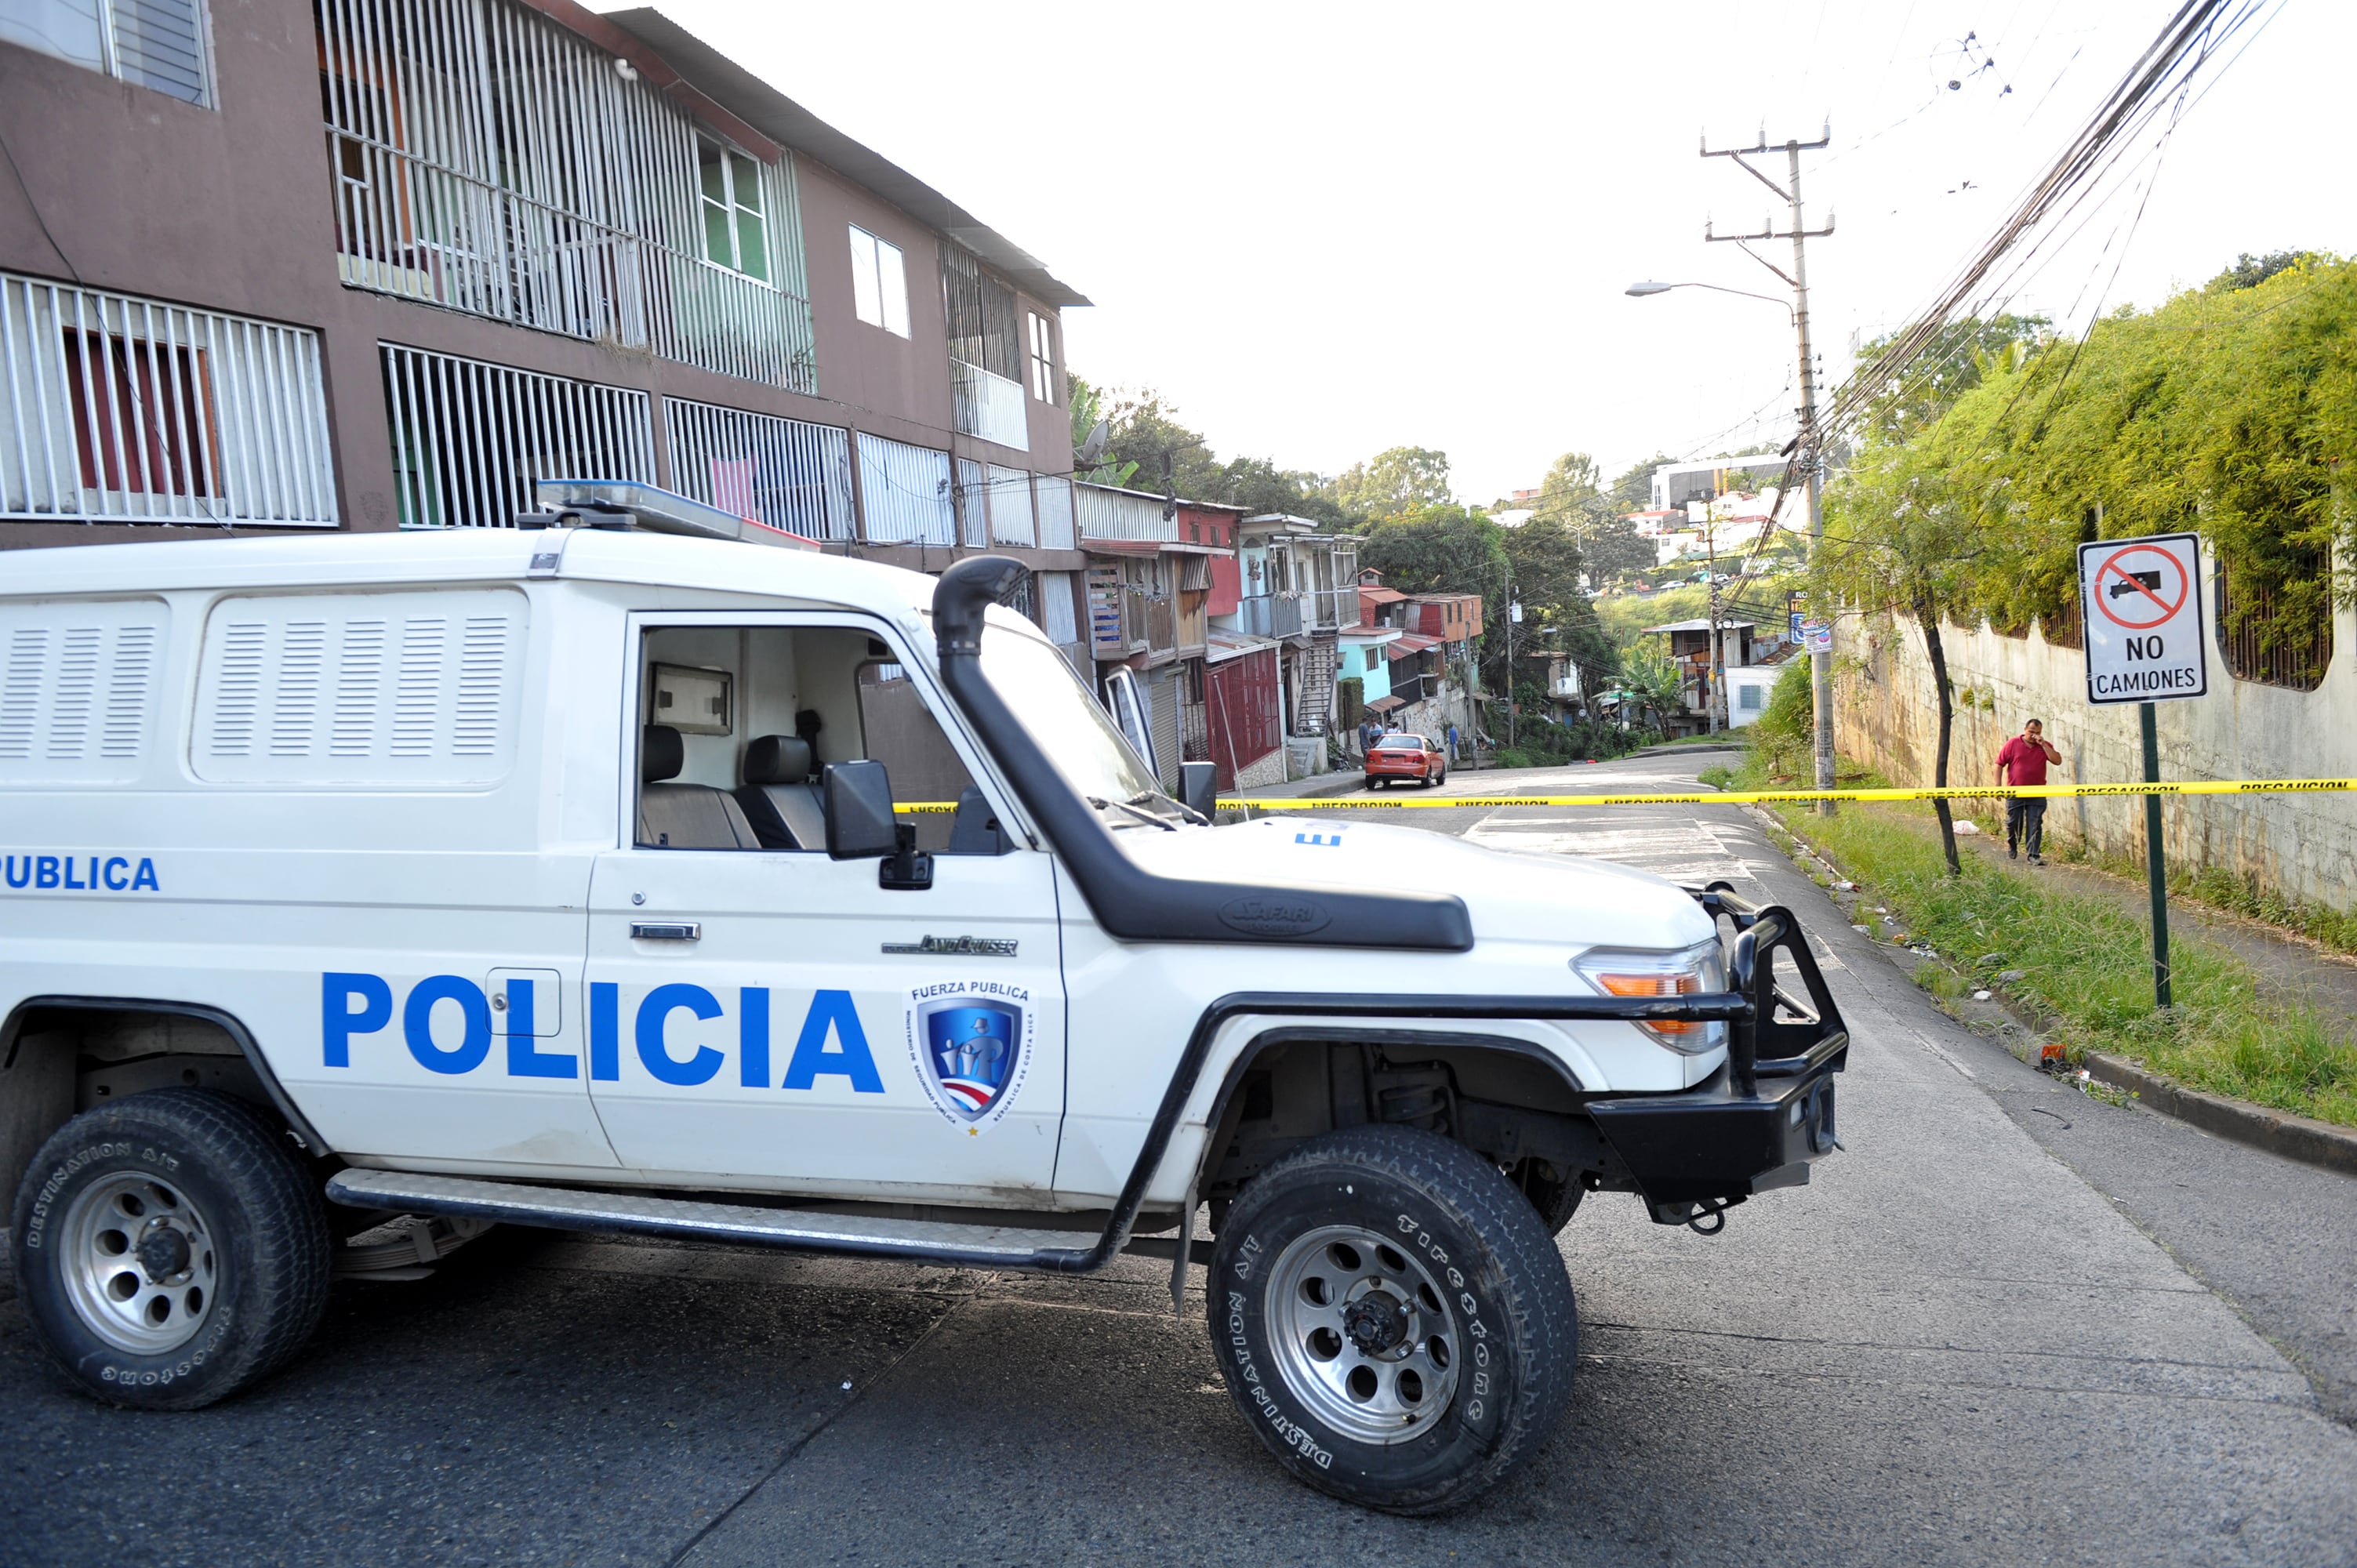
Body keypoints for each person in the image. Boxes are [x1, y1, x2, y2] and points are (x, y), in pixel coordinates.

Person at [1996, 718, 2062, 863]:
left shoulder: (2044, 746)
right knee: (2014, 823)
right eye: (2031, 732)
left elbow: (2057, 761)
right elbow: (1999, 764)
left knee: (2035, 823)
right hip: (2015, 793)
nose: (2033, 736)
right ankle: (2013, 844)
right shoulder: (2013, 744)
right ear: (2025, 730)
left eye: (2037, 733)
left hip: (2037, 793)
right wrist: (1998, 787)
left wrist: (2043, 745)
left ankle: (2033, 855)